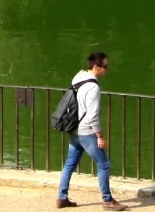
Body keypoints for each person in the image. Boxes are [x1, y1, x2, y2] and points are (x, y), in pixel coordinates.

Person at [56, 51, 123, 209]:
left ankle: (61, 197)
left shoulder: (78, 77)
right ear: (96, 67)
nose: (107, 69)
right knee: (104, 165)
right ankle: (107, 200)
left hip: (74, 128)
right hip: (86, 132)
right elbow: (93, 116)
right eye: (105, 66)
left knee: (69, 164)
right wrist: (99, 136)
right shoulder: (93, 88)